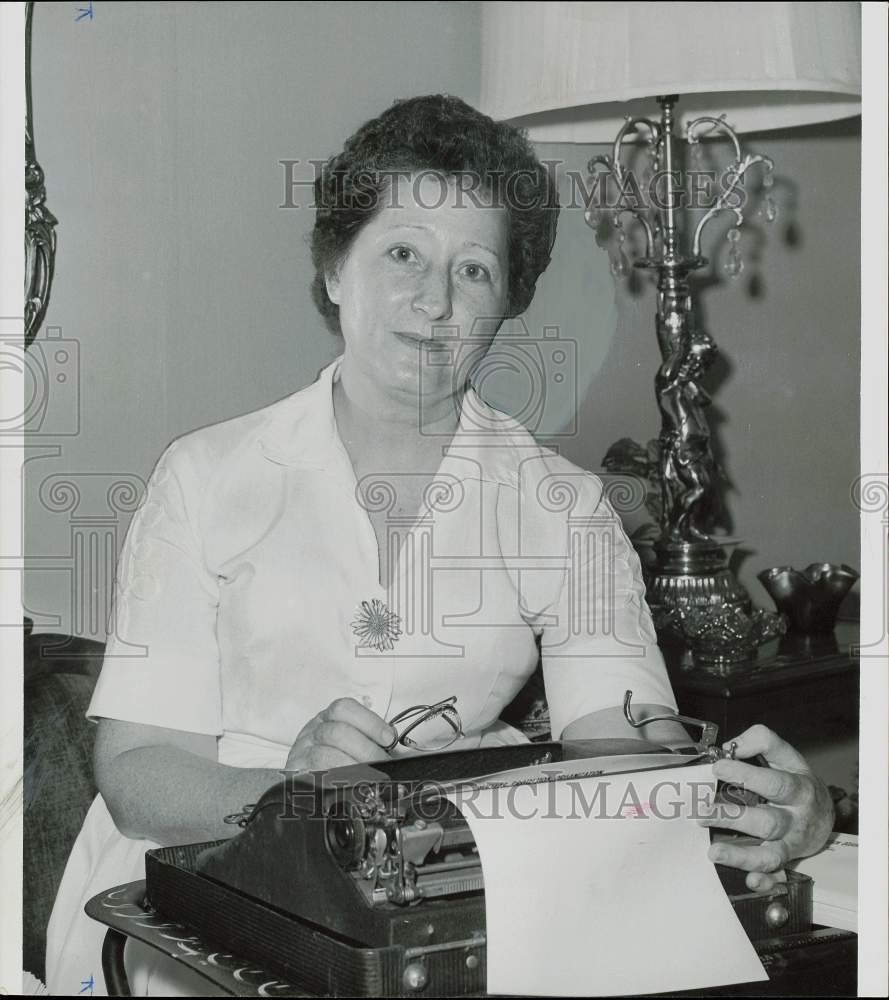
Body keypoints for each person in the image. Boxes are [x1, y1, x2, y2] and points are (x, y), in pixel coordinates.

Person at [46, 94, 834, 996]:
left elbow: (616, 748)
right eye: (402, 254)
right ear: (335, 270)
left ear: (506, 303)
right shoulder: (204, 477)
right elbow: (137, 770)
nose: (434, 301)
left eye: (473, 272)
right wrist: (293, 801)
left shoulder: (564, 507)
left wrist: (744, 804)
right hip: (206, 899)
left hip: (450, 900)